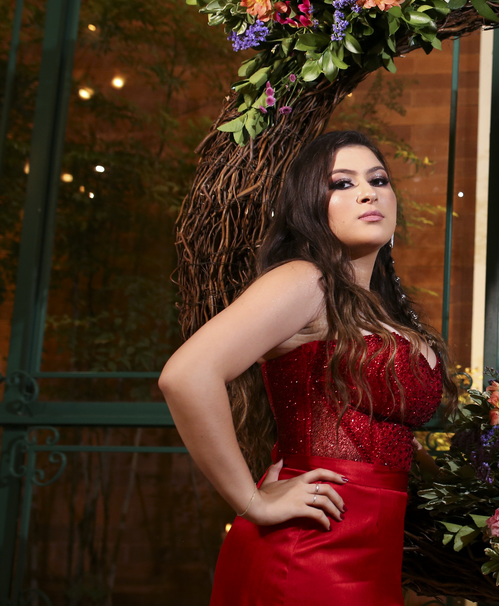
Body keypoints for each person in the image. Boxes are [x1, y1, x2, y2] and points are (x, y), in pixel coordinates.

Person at [160, 130, 458, 605]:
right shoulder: (306, 280)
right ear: (309, 207)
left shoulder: (384, 310)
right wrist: (251, 501)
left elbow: (378, 432)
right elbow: (186, 376)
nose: (368, 192)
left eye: (378, 180)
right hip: (309, 546)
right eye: (342, 183)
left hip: (375, 551)